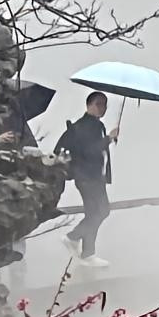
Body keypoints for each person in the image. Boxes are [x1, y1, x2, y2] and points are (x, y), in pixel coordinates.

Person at [55, 88, 115, 257]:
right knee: (102, 211)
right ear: (90, 105)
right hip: (89, 177)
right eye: (99, 104)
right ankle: (73, 237)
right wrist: (108, 139)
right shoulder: (87, 126)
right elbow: (90, 151)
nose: (102, 108)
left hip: (91, 176)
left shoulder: (95, 125)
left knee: (93, 213)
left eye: (104, 105)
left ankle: (88, 253)